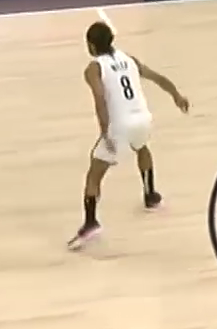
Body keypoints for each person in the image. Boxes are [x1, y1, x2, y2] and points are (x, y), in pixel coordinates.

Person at [69, 20, 191, 250]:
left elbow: (100, 99)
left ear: (91, 45)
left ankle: (91, 223)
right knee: (142, 147)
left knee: (94, 174)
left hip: (120, 125)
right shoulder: (129, 59)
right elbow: (158, 78)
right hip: (143, 119)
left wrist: (105, 132)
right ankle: (151, 195)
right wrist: (177, 95)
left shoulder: (94, 68)